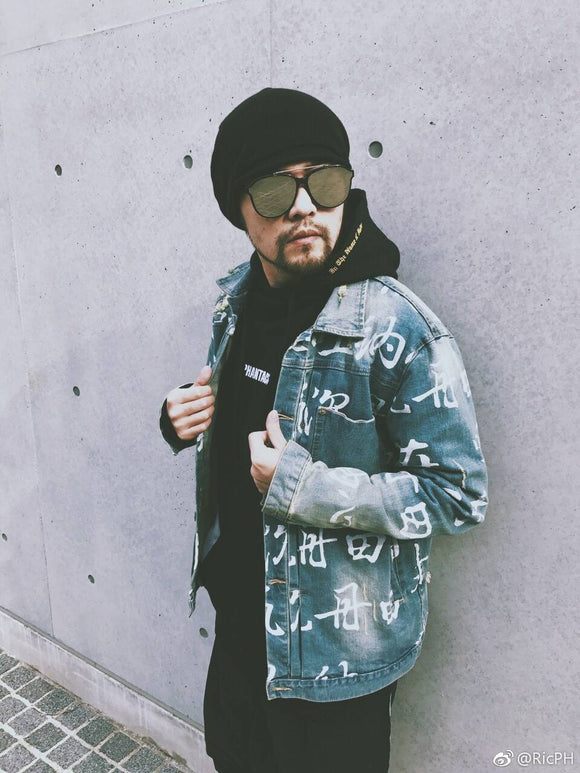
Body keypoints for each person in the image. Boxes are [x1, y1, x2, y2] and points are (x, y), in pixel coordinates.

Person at [160, 87, 488, 773]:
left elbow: (458, 494)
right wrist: (180, 420)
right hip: (242, 633)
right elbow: (236, 424)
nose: (305, 206)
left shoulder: (396, 329)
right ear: (238, 207)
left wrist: (303, 487)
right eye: (276, 189)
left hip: (337, 662)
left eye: (325, 181)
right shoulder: (235, 301)